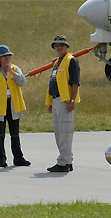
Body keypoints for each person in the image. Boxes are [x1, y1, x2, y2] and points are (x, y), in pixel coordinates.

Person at [0, 44, 30, 168]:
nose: (7, 58)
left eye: (8, 56)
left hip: (13, 105)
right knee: (0, 134)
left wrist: (12, 73)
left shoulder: (15, 69)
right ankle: (1, 159)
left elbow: (22, 82)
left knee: (15, 133)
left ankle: (18, 158)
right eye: (4, 56)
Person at [45, 35, 80, 173]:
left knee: (65, 132)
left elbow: (75, 82)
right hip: (56, 100)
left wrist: (72, 101)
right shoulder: (57, 62)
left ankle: (63, 162)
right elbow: (54, 82)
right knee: (59, 133)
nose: (59, 47)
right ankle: (67, 160)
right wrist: (50, 102)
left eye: (61, 45)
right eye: (56, 45)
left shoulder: (71, 60)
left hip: (65, 101)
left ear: (67, 46)